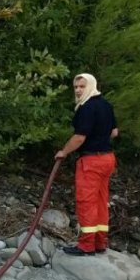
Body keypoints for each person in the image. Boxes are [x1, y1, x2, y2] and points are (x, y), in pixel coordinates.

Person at [54, 72, 118, 256]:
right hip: (107, 159)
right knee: (100, 201)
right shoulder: (106, 105)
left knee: (87, 201)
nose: (78, 90)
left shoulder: (87, 107)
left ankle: (86, 245)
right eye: (76, 87)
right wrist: (100, 137)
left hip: (91, 161)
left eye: (82, 86)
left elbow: (79, 137)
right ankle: (100, 242)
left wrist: (64, 152)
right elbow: (114, 132)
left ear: (90, 85)